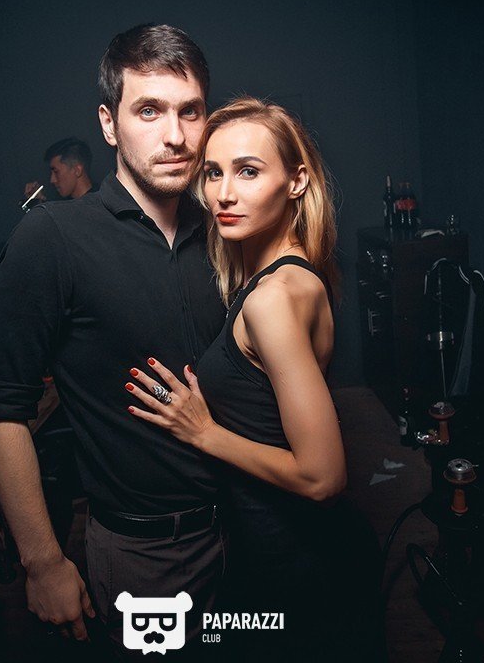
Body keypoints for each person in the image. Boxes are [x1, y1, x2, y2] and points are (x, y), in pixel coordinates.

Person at [0, 24, 227, 655]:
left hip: (248, 524)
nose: (175, 135)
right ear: (109, 125)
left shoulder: (224, 227)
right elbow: (2, 409)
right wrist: (42, 561)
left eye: (190, 111)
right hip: (147, 555)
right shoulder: (52, 238)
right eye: (149, 111)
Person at [125, 97, 384, 660]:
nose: (223, 194)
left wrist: (204, 434)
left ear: (297, 181)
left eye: (247, 171)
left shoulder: (274, 299)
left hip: (298, 565)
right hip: (276, 553)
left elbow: (323, 476)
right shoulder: (288, 278)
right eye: (212, 173)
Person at [24, 137, 97, 202]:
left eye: (56, 172)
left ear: (77, 170)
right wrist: (38, 203)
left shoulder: (99, 204)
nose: (52, 180)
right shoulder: (67, 207)